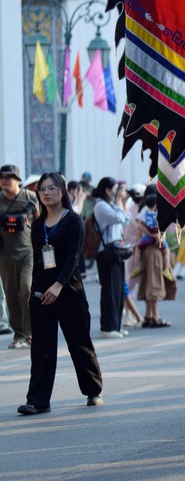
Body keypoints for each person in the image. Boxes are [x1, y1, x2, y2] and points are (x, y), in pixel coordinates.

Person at [17, 173, 103, 415]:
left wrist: (58, 286)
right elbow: (37, 262)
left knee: (79, 342)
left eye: (51, 188)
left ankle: (93, 390)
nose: (46, 192)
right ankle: (38, 400)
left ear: (62, 191)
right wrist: (35, 292)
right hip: (42, 294)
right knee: (41, 348)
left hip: (69, 290)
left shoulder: (73, 220)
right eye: (42, 189)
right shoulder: (36, 225)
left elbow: (73, 259)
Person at [0, 164, 40, 349]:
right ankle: (19, 335)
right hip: (5, 256)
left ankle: (30, 332)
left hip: (27, 253)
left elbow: (40, 223)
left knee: (26, 288)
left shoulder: (30, 198)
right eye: (2, 177)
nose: (4, 180)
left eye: (9, 177)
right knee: (11, 297)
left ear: (17, 180)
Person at [92, 177, 131, 339]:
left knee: (118, 290)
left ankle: (116, 326)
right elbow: (120, 218)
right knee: (109, 290)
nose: (118, 192)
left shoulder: (111, 204)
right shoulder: (101, 205)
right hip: (106, 252)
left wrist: (119, 203)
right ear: (107, 190)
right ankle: (107, 327)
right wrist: (119, 202)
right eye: (116, 189)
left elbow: (126, 220)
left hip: (116, 251)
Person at [135, 193, 173, 328]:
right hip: (155, 251)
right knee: (154, 282)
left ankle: (149, 315)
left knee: (147, 281)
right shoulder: (156, 213)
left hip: (146, 249)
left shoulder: (143, 212)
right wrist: (155, 235)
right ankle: (154, 316)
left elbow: (138, 227)